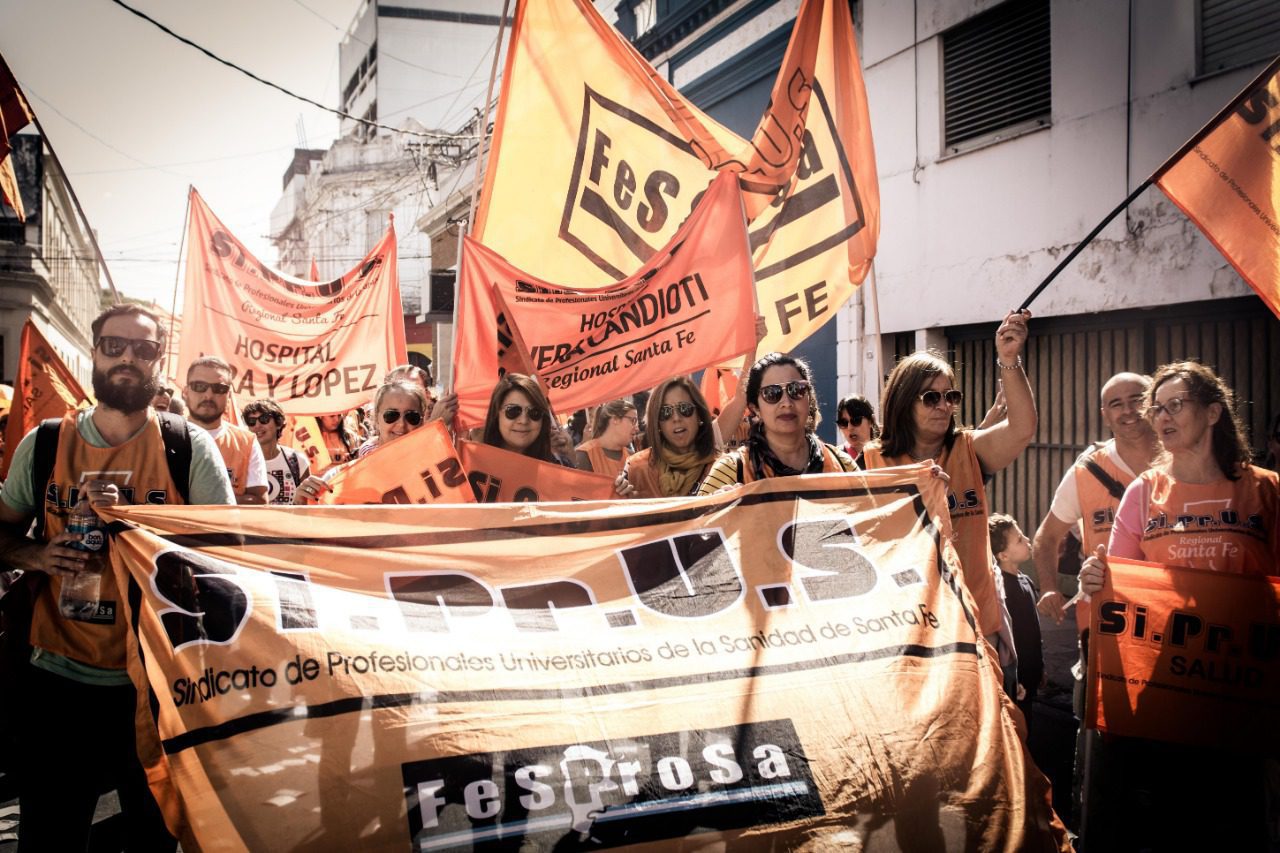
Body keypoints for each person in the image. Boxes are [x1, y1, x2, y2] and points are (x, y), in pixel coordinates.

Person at [0, 304, 233, 851]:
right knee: (49, 838)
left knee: (153, 840)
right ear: (94, 353)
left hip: (156, 685)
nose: (128, 357)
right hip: (57, 680)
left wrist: (141, 534)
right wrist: (39, 556)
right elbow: (2, 533)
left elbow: (227, 560)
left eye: (143, 349)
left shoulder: (187, 447)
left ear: (159, 361)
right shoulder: (46, 443)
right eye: (114, 346)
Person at [1078, 360, 1279, 850]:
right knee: (1165, 824)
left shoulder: (1266, 489)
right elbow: (1119, 582)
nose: (1162, 417)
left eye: (1175, 405)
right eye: (1158, 408)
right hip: (1165, 690)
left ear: (1213, 413)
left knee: (1237, 825)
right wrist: (1094, 579)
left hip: (1240, 692)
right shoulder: (1143, 493)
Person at [862, 310, 1036, 650]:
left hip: (974, 625)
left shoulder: (969, 450)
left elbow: (1022, 428)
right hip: (905, 627)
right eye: (931, 398)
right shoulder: (870, 462)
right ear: (903, 402)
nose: (943, 406)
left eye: (950, 396)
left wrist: (1008, 360)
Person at [697, 353, 855, 494]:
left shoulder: (843, 465)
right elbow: (695, 517)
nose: (786, 403)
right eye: (771, 393)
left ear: (809, 399)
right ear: (755, 408)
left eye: (797, 389)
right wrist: (716, 509)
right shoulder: (731, 471)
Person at [294, 380, 429, 504]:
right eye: (391, 415)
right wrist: (300, 505)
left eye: (412, 416)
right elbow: (313, 521)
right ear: (376, 418)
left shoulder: (436, 472)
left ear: (422, 421)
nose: (401, 424)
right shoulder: (338, 479)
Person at [183, 356, 268, 505]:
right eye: (199, 386)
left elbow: (259, 501)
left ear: (228, 396)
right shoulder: (163, 435)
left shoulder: (246, 442)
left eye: (219, 389)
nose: (208, 395)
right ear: (185, 392)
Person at [989, 513, 1043, 734]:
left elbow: (1034, 631)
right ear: (1003, 555)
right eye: (1019, 540)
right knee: (1014, 732)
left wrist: (1041, 667)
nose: (1028, 540)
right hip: (1014, 681)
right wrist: (1012, 678)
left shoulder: (1026, 581)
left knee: (1028, 728)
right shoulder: (1000, 590)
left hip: (1031, 673)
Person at [624, 377, 720, 499]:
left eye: (685, 408)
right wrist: (621, 496)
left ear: (699, 415)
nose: (676, 418)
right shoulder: (636, 468)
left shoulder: (722, 467)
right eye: (665, 412)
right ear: (657, 422)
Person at [480, 373, 575, 466]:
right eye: (513, 411)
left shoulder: (559, 466)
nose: (524, 421)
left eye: (534, 412)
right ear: (496, 414)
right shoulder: (476, 465)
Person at [242, 398, 310, 506]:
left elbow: (308, 506)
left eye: (264, 419)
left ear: (279, 423)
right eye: (251, 422)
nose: (257, 425)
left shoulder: (297, 460)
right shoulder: (241, 461)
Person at [575, 399, 638, 478]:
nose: (637, 428)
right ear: (615, 419)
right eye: (633, 421)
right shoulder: (586, 454)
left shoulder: (632, 456)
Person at [835, 394, 878, 467]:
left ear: (871, 421)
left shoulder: (884, 455)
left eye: (856, 420)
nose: (850, 427)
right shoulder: (835, 458)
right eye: (843, 423)